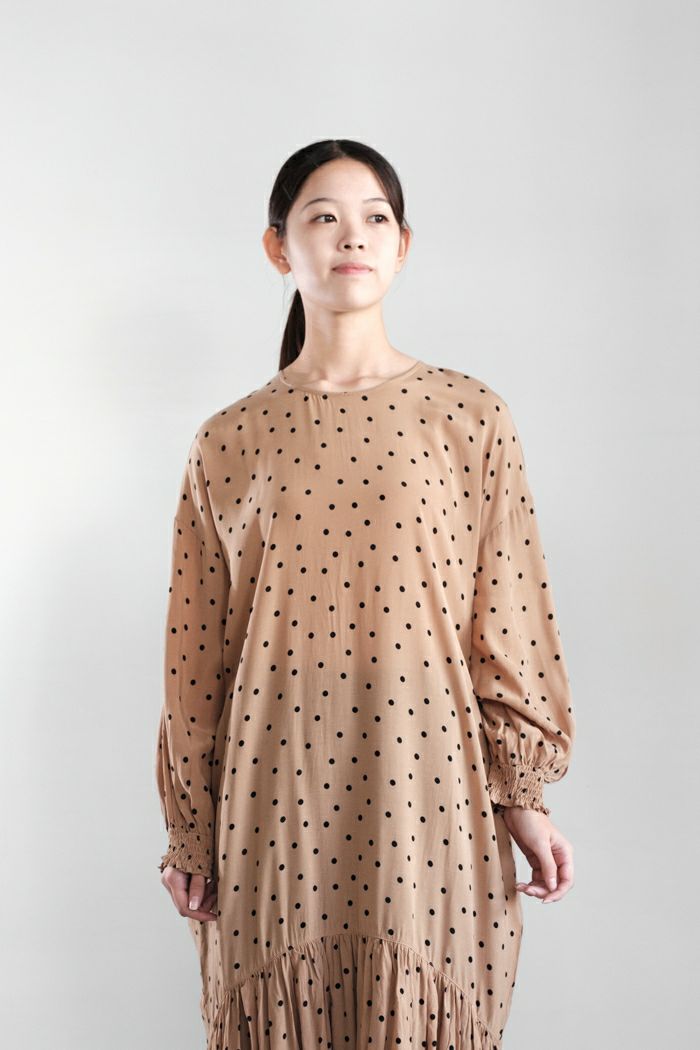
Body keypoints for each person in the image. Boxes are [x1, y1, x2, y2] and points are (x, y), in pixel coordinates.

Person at [155, 138, 576, 1049]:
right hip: (271, 806)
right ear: (278, 247)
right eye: (324, 217)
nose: (353, 236)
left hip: (430, 797)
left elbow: (506, 618)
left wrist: (524, 795)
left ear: (403, 244)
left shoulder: (470, 417)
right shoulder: (228, 441)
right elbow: (194, 661)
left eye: (374, 218)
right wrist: (189, 828)